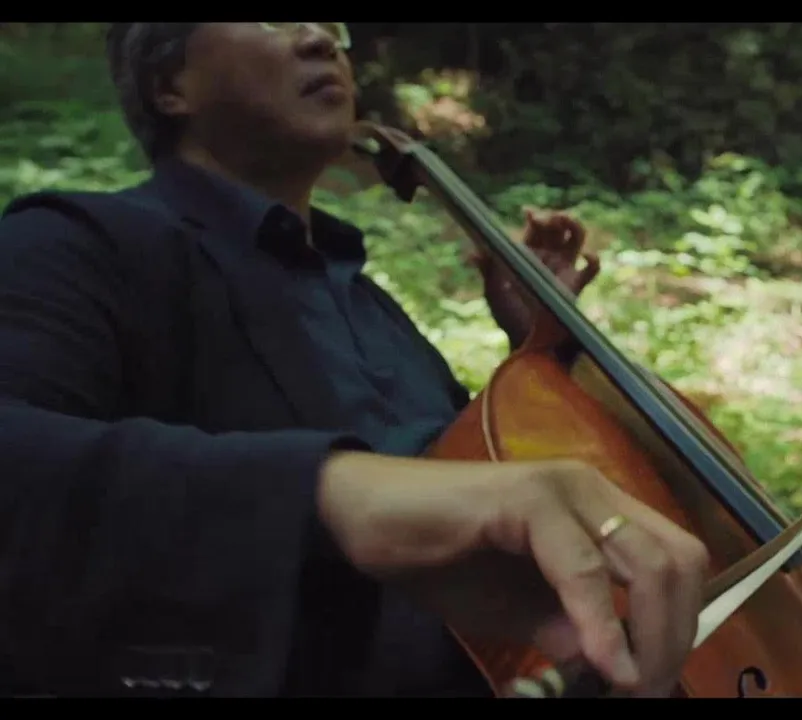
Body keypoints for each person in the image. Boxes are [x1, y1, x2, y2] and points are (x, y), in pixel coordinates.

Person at [0, 22, 709, 697]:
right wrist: (336, 496)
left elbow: (482, 483)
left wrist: (543, 346)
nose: (320, 38)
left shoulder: (368, 302)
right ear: (169, 86)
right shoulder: (79, 243)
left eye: (328, 24)